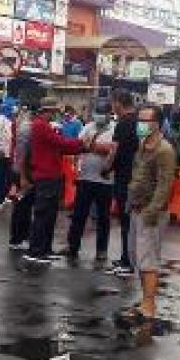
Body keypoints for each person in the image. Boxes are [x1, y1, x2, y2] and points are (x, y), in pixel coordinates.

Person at [22, 98, 91, 267]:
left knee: (50, 215)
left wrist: (79, 145)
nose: (55, 114)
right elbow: (60, 143)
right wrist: (82, 144)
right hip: (46, 175)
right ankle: (36, 250)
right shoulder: (41, 125)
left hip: (51, 174)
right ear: (46, 111)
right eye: (53, 111)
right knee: (43, 214)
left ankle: (44, 249)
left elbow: (60, 144)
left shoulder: (44, 125)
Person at [125, 104, 176, 326]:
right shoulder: (142, 145)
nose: (141, 124)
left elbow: (165, 185)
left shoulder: (165, 150)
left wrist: (152, 211)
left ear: (156, 123)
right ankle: (144, 299)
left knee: (149, 260)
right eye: (140, 120)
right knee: (136, 256)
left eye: (145, 120)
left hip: (150, 212)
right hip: (136, 208)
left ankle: (149, 305)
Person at [66, 99, 116, 264]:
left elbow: (113, 149)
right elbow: (80, 145)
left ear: (110, 114)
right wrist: (97, 147)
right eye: (98, 112)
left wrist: (92, 146)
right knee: (79, 215)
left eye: (103, 113)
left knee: (103, 218)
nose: (99, 116)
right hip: (85, 178)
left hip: (105, 180)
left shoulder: (115, 129)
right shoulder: (88, 126)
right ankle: (72, 246)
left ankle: (101, 250)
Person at [105, 92, 139, 276]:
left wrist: (106, 169)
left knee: (126, 222)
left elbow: (114, 151)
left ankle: (127, 262)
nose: (112, 107)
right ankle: (126, 258)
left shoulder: (123, 123)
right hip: (135, 177)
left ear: (119, 103)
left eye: (113, 104)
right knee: (129, 221)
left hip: (124, 179)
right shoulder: (139, 123)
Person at [7, 104, 35, 250]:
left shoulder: (24, 126)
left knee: (22, 205)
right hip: (23, 173)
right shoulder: (27, 129)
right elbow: (22, 154)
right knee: (22, 206)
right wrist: (24, 176)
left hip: (20, 171)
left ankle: (20, 237)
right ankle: (18, 238)